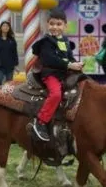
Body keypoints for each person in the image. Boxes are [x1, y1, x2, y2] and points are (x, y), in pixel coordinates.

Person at [31, 8, 84, 142]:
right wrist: (69, 65)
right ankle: (41, 122)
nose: (55, 27)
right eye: (52, 24)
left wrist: (76, 63)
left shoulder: (65, 41)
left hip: (63, 73)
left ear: (65, 25)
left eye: (59, 24)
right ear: (47, 24)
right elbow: (50, 59)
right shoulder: (45, 42)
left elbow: (69, 57)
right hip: (50, 74)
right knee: (56, 94)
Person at [0, 20, 19, 86]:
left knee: (9, 85)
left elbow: (14, 53)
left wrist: (16, 65)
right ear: (1, 28)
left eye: (7, 26)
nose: (5, 27)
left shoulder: (12, 40)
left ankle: (6, 93)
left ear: (9, 28)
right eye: (4, 26)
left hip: (10, 66)